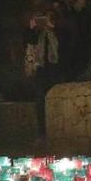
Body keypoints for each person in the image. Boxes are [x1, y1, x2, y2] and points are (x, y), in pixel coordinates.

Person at [23, 9, 62, 140]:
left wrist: (51, 28)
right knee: (40, 100)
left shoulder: (54, 32)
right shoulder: (34, 34)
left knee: (56, 100)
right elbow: (30, 43)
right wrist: (32, 28)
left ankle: (56, 130)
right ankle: (42, 132)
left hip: (54, 69)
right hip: (39, 69)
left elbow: (60, 46)